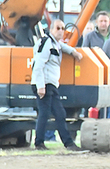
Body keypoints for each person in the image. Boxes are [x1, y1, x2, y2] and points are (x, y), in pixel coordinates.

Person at [31, 19, 84, 151]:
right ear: (51, 29)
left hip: (51, 84)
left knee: (59, 113)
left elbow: (61, 46)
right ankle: (39, 143)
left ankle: (68, 144)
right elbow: (38, 65)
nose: (61, 31)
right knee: (44, 113)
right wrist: (40, 86)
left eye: (62, 28)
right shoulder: (46, 42)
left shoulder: (54, 43)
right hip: (45, 84)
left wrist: (73, 52)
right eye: (58, 28)